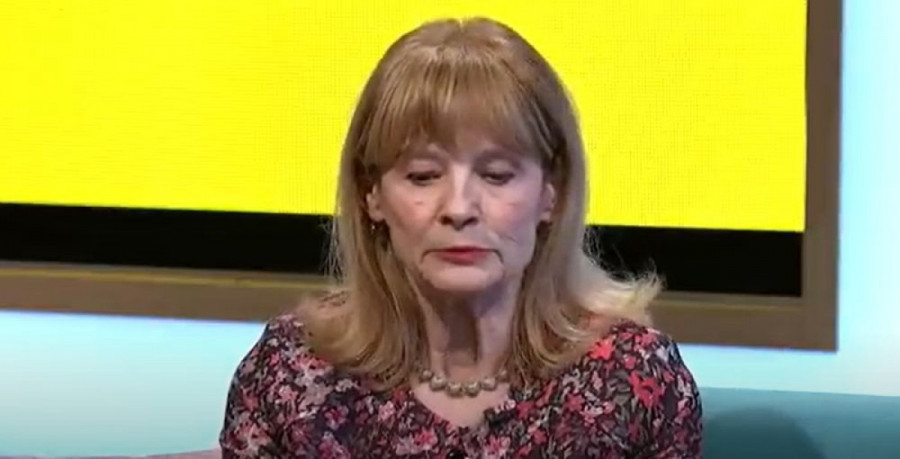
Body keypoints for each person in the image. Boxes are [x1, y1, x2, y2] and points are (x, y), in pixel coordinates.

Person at [219, 16, 702, 458]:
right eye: (423, 176)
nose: (458, 208)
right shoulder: (292, 371)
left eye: (496, 175)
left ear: (550, 193)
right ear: (372, 195)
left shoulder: (632, 379)